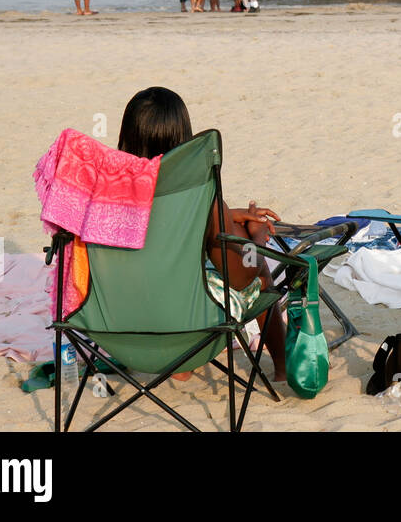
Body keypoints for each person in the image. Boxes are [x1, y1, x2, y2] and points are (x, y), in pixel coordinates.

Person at [116, 86, 288, 380]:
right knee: (260, 278)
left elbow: (158, 222)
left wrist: (225, 216)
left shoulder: (106, 195)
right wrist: (256, 236)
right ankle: (284, 368)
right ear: (183, 139)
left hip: (120, 321)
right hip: (185, 321)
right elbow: (242, 276)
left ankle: (180, 366)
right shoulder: (203, 203)